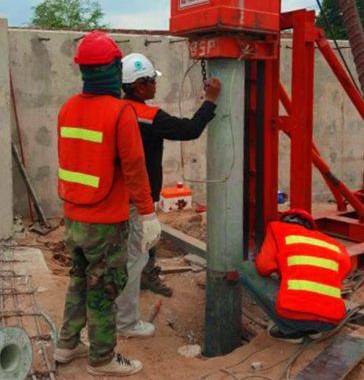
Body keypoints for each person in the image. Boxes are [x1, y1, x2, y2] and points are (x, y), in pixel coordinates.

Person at [54, 31, 161, 376]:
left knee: (78, 280)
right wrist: (147, 214)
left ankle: (66, 345)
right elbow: (134, 169)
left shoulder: (68, 108)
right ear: (114, 69)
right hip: (105, 222)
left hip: (73, 216)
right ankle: (102, 358)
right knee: (104, 288)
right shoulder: (119, 113)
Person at [115, 52, 221, 337]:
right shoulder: (150, 116)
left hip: (116, 195)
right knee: (133, 256)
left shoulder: (115, 108)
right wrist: (210, 101)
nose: (155, 86)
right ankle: (126, 321)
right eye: (151, 81)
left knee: (130, 249)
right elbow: (190, 129)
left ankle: (145, 278)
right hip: (138, 198)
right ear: (139, 86)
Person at [240, 208, 352, 343]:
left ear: (285, 221)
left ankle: (289, 331)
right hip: (330, 321)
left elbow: (263, 268)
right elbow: (342, 272)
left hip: (294, 316)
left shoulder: (278, 229)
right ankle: (313, 331)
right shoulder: (334, 244)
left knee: (245, 268)